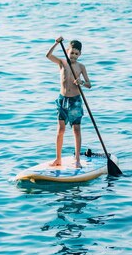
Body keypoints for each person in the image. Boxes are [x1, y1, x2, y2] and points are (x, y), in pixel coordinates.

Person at [45, 36, 92, 168]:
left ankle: (77, 160)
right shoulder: (62, 63)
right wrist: (55, 43)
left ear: (80, 54)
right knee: (60, 130)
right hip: (62, 99)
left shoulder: (81, 67)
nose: (74, 56)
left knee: (76, 130)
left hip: (75, 101)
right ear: (67, 51)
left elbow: (89, 84)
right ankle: (58, 158)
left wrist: (81, 82)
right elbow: (48, 55)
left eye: (76, 54)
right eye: (72, 53)